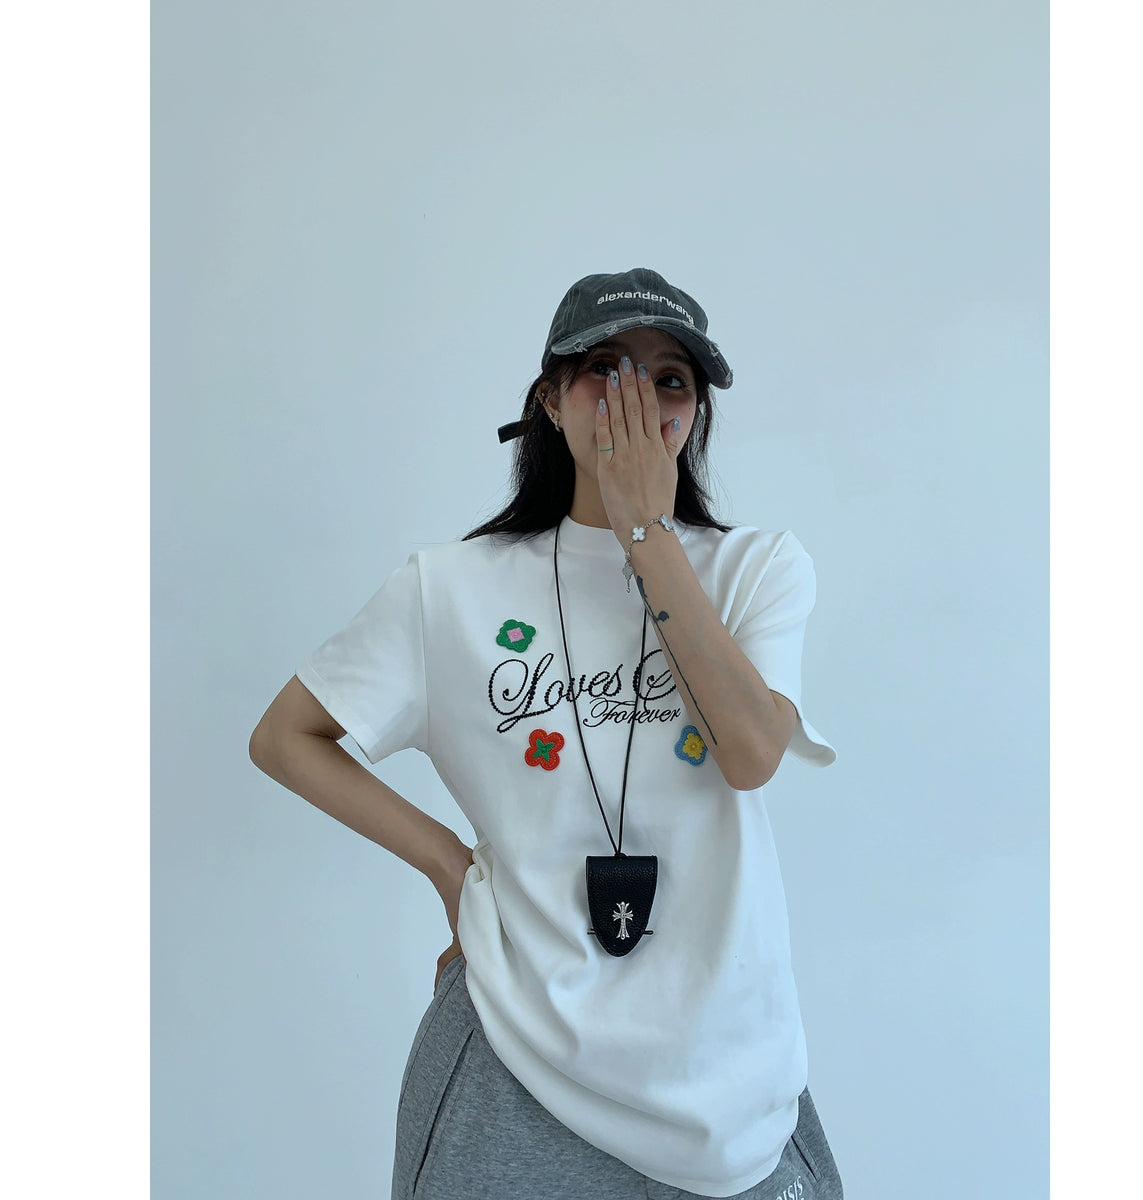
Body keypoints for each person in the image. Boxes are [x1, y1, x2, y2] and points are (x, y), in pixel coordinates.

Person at [249, 267, 843, 1200]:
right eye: (606, 369)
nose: (637, 400)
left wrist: (645, 532)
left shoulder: (756, 569)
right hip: (510, 1064)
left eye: (669, 379)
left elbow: (750, 754)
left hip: (731, 1079)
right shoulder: (447, 589)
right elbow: (287, 736)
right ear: (549, 402)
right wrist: (449, 866)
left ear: (696, 414)